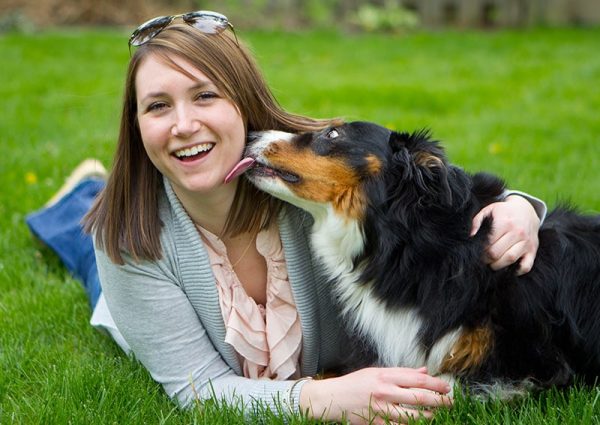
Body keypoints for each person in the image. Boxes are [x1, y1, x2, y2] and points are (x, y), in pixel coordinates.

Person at [26, 11, 546, 424]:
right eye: (157, 106)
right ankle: (79, 199)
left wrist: (522, 207)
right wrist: (320, 401)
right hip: (133, 268)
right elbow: (202, 393)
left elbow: (424, 191)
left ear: (243, 101)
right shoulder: (128, 241)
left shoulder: (306, 169)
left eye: (205, 95)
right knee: (91, 258)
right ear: (136, 123)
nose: (183, 124)